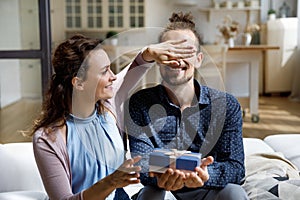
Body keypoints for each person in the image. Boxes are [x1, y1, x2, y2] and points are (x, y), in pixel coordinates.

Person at [29, 34, 196, 200]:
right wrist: (110, 182)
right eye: (104, 71)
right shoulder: (47, 139)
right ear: (79, 83)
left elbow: (134, 69)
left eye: (110, 68)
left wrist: (179, 162)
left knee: (154, 191)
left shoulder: (108, 105)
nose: (113, 76)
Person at [125, 12, 249, 200]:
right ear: (158, 59)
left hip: (209, 189)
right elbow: (141, 164)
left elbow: (235, 167)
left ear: (198, 59)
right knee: (151, 196)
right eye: (169, 52)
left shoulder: (226, 105)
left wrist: (203, 175)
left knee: (235, 193)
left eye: (186, 52)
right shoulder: (140, 103)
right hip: (162, 190)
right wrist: (173, 172)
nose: (176, 60)